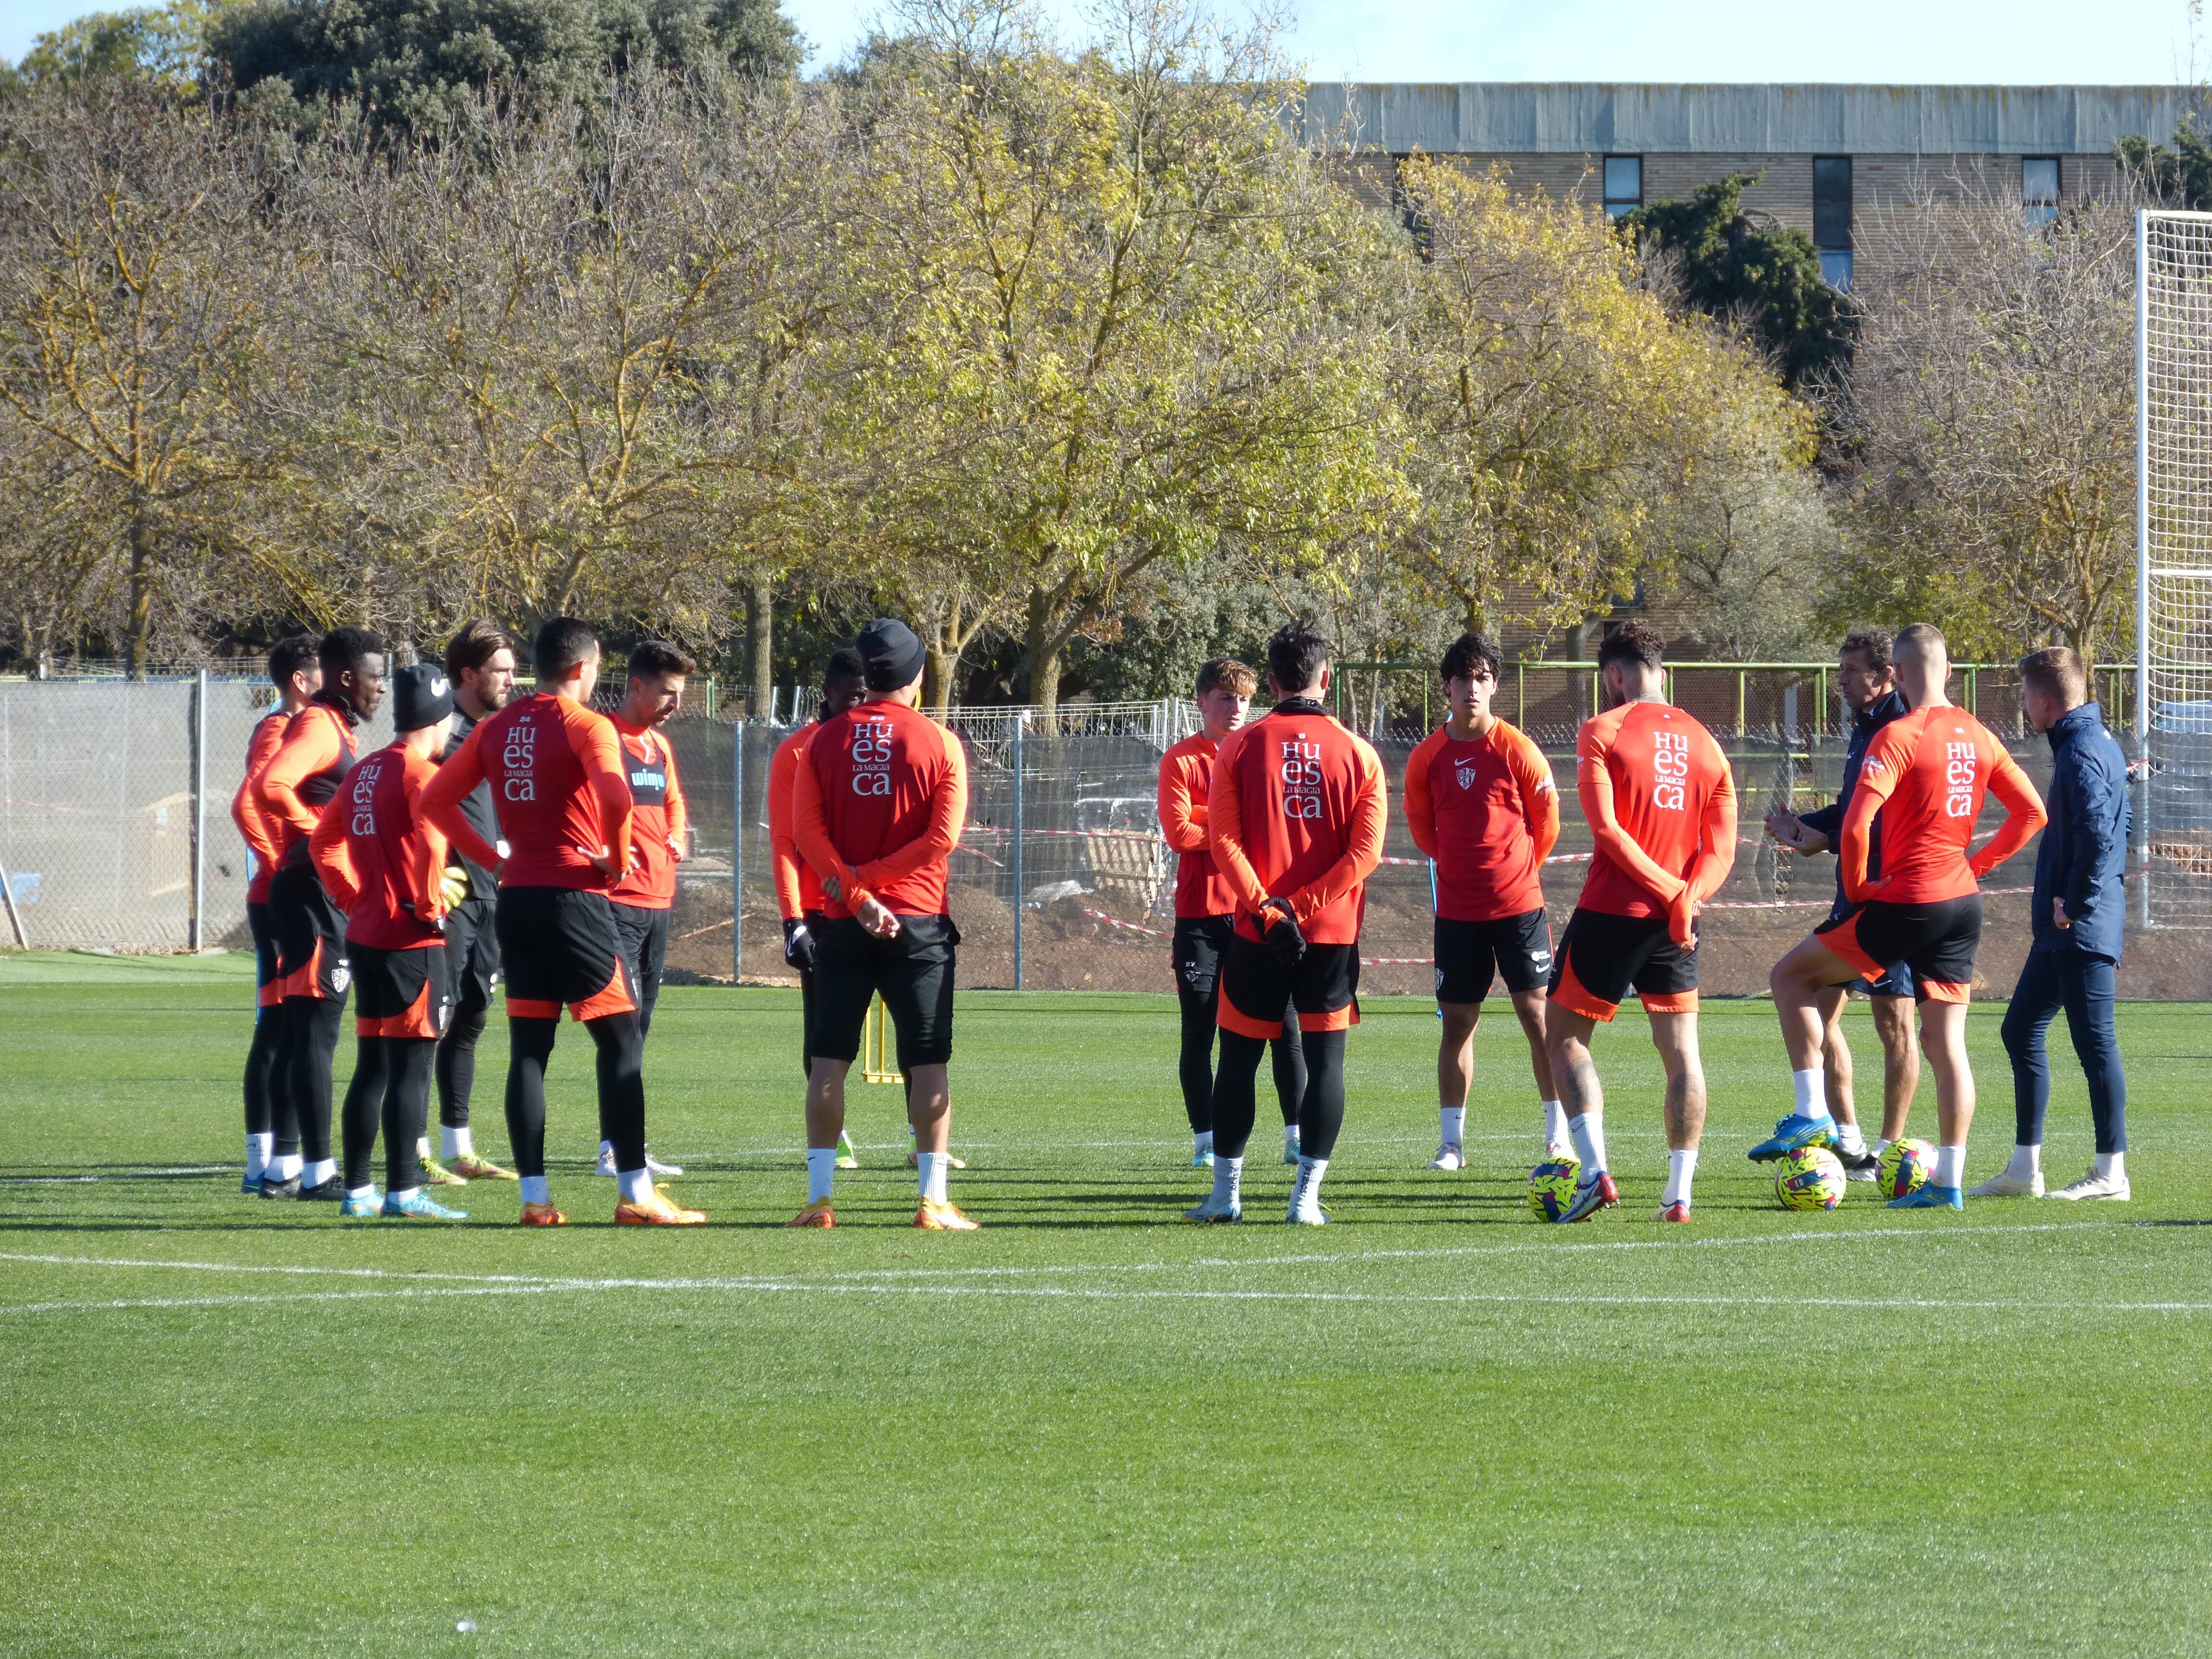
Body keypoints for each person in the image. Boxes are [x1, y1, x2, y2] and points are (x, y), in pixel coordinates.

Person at [422, 616, 705, 1227]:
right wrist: (616, 854)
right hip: (573, 899)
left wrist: (489, 855)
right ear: (582, 668)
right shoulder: (586, 725)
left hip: (517, 901)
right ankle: (637, 1194)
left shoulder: (497, 727)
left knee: (530, 1049)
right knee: (622, 1041)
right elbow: (617, 794)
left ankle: (536, 1199)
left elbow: (434, 801)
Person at [1767, 624, 2046, 1212]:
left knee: (1791, 978)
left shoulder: (1898, 734)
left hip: (1906, 899)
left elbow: (1853, 824)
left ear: (1896, 673)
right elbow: (2032, 813)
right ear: (1947, 671)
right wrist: (1978, 865)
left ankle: (1812, 1113)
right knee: (1948, 1046)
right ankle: (1948, 1185)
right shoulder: (1979, 734)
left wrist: (1861, 885)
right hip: (1961, 904)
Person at [1184, 622, 1386, 1227]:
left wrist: (1270, 910)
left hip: (1255, 931)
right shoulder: (1360, 753)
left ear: (1271, 682)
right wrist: (1301, 909)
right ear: (1327, 679)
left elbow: (1222, 840)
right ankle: (1305, 1201)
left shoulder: (1239, 748)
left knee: (1239, 1061)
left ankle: (1226, 1197)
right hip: (1330, 934)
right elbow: (1366, 854)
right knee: (1326, 1065)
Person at [1543, 621, 1737, 1225]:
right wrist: (1687, 896)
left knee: (1564, 1037)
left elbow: (1607, 831)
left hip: (1614, 910)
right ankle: (1678, 1194)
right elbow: (1723, 846)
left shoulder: (1602, 729)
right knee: (1682, 1054)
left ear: (1617, 675)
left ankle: (1596, 1173)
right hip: (1679, 921)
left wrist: (1665, 890)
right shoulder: (1708, 741)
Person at [787, 618, 973, 1230]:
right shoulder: (941, 743)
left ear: (866, 676)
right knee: (929, 1065)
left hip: (841, 919)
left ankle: (819, 1201)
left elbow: (805, 836)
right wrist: (876, 879)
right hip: (919, 920)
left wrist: (855, 889)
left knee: (828, 1062)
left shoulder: (821, 741)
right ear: (919, 675)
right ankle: (932, 1201)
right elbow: (941, 839)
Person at [1758, 629, 1920, 1178]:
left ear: (1885, 676)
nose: (1841, 681)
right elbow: (1852, 809)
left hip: (1892, 899)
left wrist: (1823, 838)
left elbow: (1889, 822)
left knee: (1894, 1024)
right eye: (1841, 670)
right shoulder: (1864, 729)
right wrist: (1806, 826)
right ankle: (1849, 1143)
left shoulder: (1902, 730)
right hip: (1853, 896)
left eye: (1851, 672)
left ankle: (1890, 1150)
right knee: (1819, 1016)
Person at [309, 663, 467, 1221]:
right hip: (409, 941)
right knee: (413, 1066)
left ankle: (357, 1191)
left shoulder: (367, 769)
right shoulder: (422, 774)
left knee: (372, 1065)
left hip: (369, 936)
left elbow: (323, 845)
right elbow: (430, 845)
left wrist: (356, 901)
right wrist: (428, 907)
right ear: (440, 718)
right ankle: (402, 1191)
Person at [1402, 630, 1563, 1171]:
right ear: (1446, 687)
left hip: (1520, 908)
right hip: (1457, 914)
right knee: (1457, 1024)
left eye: (1483, 678)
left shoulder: (1518, 748)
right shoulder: (1427, 757)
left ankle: (1557, 1135)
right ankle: (1452, 1144)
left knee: (1539, 1018)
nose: (1473, 687)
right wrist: (1461, 870)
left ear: (1495, 686)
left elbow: (1548, 827)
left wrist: (1516, 872)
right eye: (1463, 678)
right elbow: (1425, 833)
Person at [1980, 646, 2131, 1201]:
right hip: (2061, 928)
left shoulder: (2082, 750)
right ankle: (2025, 1171)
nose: (2023, 707)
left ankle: (2111, 1174)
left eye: (2024, 696)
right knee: (2019, 1029)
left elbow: (2100, 830)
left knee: (2096, 1046)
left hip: (2078, 926)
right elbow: (2126, 817)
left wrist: (2082, 901)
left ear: (2044, 700)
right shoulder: (2096, 742)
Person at [251, 626, 388, 1201]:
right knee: (315, 1033)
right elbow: (269, 787)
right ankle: (317, 1172)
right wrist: (320, 834)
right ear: (349, 677)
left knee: (307, 1031)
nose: (383, 689)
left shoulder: (337, 727)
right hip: (309, 893)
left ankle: (286, 1167)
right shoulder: (318, 725)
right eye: (377, 678)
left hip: (317, 890)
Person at [1156, 657, 1308, 1170]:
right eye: (1225, 698)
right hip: (1200, 918)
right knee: (1199, 1030)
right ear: (1201, 702)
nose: (1236, 707)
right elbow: (1179, 833)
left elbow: (1269, 829)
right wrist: (1228, 832)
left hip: (1257, 913)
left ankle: (1296, 1136)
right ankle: (1205, 1142)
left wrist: (1214, 823)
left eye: (1244, 698)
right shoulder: (1181, 760)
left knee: (1286, 1028)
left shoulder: (1258, 751)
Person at [591, 640, 697, 1181]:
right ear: (636, 687)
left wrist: (677, 836)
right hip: (616, 905)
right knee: (622, 1029)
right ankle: (614, 1149)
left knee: (642, 1027)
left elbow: (675, 803)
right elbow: (587, 805)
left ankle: (628, 1142)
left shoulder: (660, 747)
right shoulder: (604, 739)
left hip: (659, 903)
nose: (675, 703)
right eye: (667, 692)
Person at [425, 619, 519, 1185]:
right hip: (449, 898)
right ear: (467, 674)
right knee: (429, 1023)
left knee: (471, 1017)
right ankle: (413, 1150)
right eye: (501, 671)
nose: (512, 680)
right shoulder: (441, 735)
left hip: (490, 896)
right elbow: (427, 811)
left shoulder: (499, 733)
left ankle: (457, 1147)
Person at [230, 632, 320, 1194]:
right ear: (299, 681)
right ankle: (264, 1160)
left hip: (288, 891)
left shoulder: (304, 730)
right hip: (278, 895)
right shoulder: (280, 729)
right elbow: (248, 801)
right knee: (278, 1029)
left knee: (284, 1026)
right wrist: (280, 860)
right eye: (322, 674)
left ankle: (268, 1159)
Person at [769, 648, 866, 1166]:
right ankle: (834, 1137)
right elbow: (786, 841)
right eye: (852, 696)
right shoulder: (798, 752)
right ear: (826, 694)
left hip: (879, 903)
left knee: (909, 1020)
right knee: (825, 1028)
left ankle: (922, 1143)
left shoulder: (879, 743)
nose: (860, 706)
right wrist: (792, 920)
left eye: (867, 696)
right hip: (820, 911)